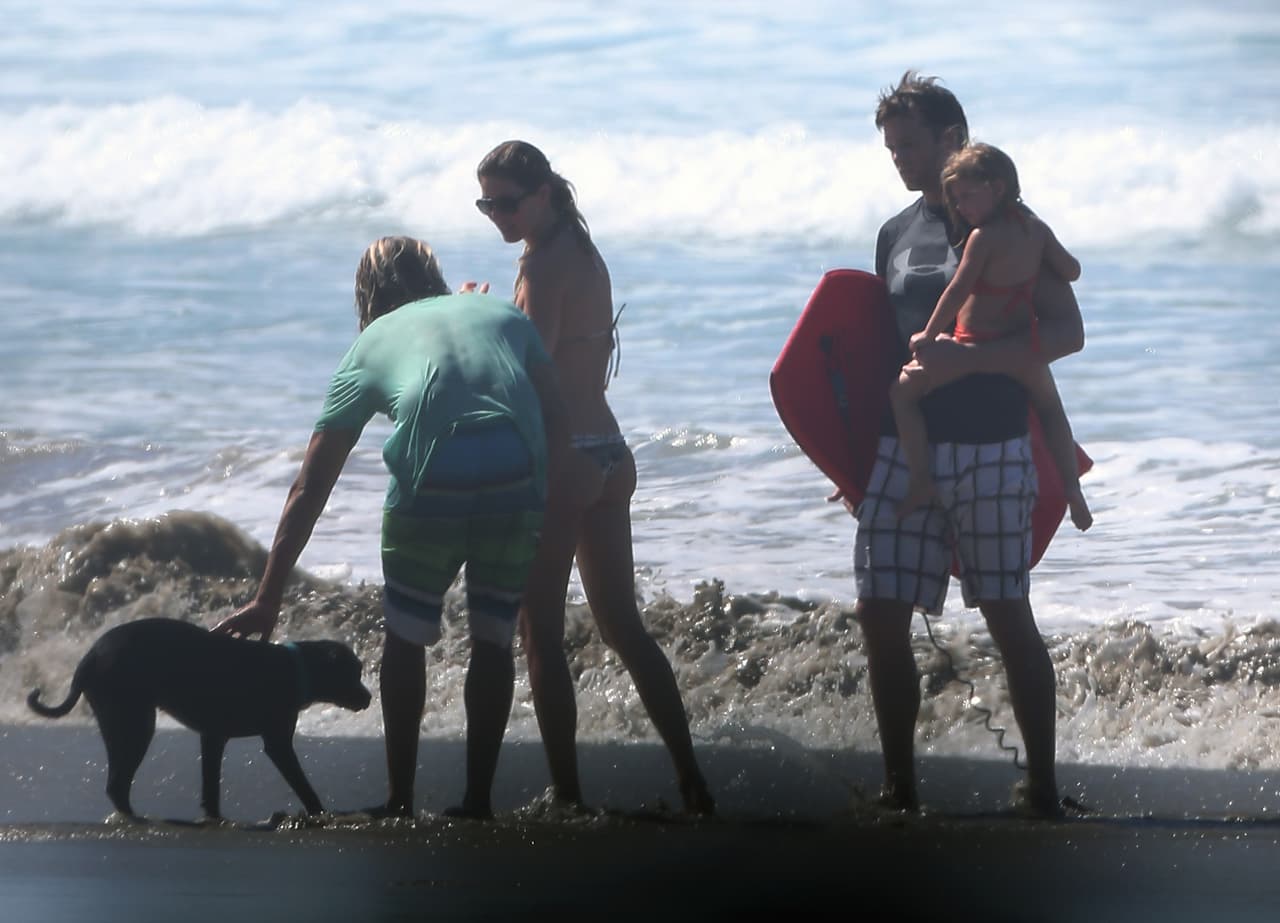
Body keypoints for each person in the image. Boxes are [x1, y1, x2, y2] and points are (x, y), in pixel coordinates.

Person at [213, 236, 569, 820]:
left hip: (433, 481)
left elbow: (310, 485)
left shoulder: (370, 342)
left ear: (365, 294)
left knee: (406, 637)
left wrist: (267, 596)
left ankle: (401, 799)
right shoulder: (500, 312)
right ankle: (478, 801)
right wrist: (546, 500)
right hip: (517, 473)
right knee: (492, 638)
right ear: (436, 276)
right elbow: (557, 414)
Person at [848, 72, 1086, 817]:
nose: (899, 159)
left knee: (1007, 613)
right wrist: (848, 457)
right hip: (904, 447)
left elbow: (1068, 332)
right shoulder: (895, 233)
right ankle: (899, 787)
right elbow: (881, 347)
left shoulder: (1012, 229)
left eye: (911, 145)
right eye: (891, 148)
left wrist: (974, 360)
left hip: (991, 444)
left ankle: (1042, 788)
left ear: (953, 138)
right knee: (879, 610)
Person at [471, 140, 714, 815]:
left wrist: (478, 323)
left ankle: (568, 796)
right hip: (608, 448)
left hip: (564, 457)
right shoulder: (582, 249)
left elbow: (527, 368)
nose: (498, 215)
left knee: (540, 632)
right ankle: (691, 779)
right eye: (486, 204)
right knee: (623, 627)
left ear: (543, 193)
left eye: (508, 203)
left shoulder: (541, 264)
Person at [890, 141, 1092, 531]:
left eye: (966, 197)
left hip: (972, 342)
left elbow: (957, 291)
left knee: (901, 394)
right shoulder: (1036, 230)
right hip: (1022, 347)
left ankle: (920, 480)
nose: (960, 207)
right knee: (1051, 408)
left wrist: (929, 334)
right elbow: (1072, 270)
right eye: (956, 199)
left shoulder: (982, 237)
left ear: (996, 188)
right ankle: (1073, 490)